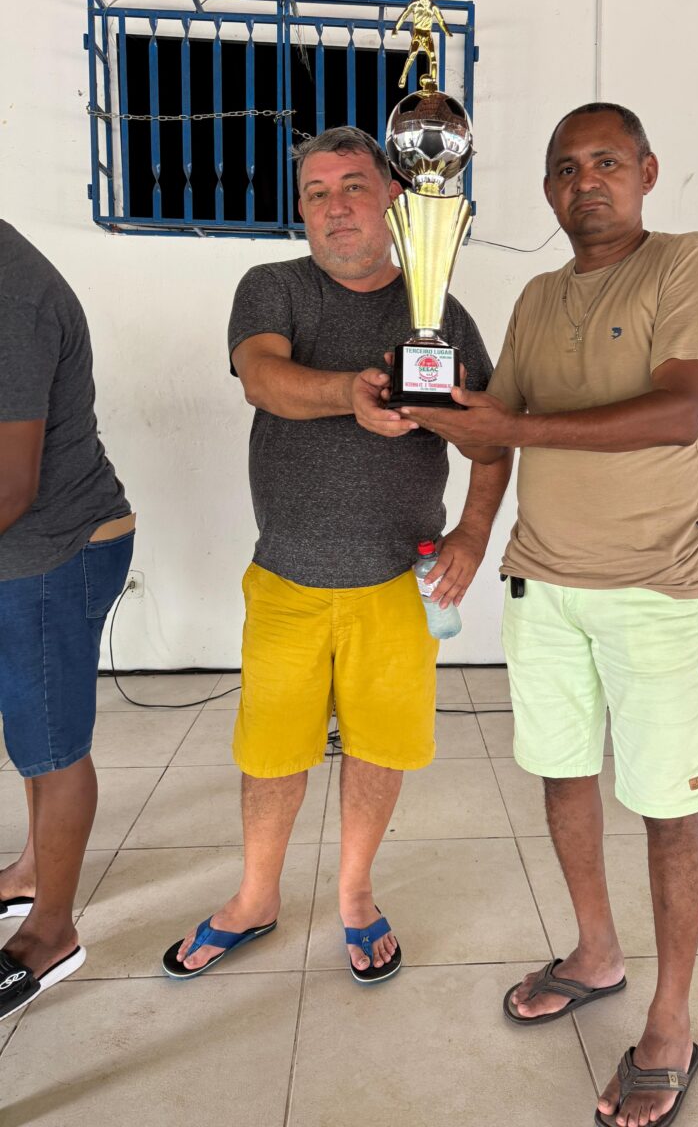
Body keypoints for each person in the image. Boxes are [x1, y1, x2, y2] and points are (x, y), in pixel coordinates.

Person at [402, 103, 698, 1127]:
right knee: (562, 776)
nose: (584, 183)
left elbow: (678, 411)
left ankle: (671, 1022)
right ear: (548, 188)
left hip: (651, 589)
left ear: (646, 170)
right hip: (542, 584)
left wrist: (512, 423)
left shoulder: (688, 263)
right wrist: (425, 412)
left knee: (668, 805)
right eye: (564, 169)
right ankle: (596, 954)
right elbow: (497, 435)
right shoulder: (538, 297)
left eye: (604, 163)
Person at [163, 127, 511, 984]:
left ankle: (355, 894)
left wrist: (473, 534)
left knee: (380, 747)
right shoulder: (274, 287)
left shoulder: (440, 313)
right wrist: (349, 393)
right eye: (316, 192)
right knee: (270, 753)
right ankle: (256, 897)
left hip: (400, 581)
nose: (335, 206)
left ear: (394, 196)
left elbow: (494, 438)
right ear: (302, 210)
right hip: (287, 577)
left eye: (353, 185)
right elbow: (263, 378)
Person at [0, 222, 135, 1021]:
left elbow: (10, 486)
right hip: (26, 550)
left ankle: (52, 931)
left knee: (53, 747)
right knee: (32, 734)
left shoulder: (12, 297)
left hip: (54, 548)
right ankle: (29, 873)